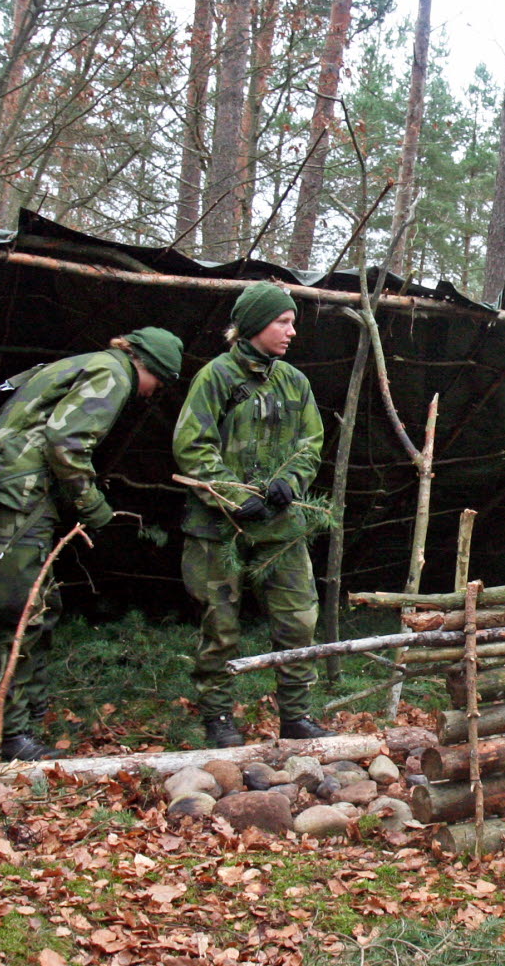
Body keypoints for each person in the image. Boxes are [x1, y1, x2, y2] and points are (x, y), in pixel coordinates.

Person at [0, 328, 184, 761]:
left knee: (41, 605)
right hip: (20, 498)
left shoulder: (89, 363)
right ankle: (10, 735)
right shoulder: (114, 374)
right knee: (18, 611)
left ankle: (29, 712)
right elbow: (66, 442)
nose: (151, 394)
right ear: (150, 367)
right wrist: (92, 504)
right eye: (158, 383)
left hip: (17, 492)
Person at [175, 283, 327, 748]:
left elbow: (311, 442)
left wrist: (292, 482)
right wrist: (230, 493)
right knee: (219, 627)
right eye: (283, 322)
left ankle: (297, 716)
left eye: (292, 321)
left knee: (298, 620)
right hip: (218, 528)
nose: (291, 331)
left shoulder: (294, 382)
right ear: (257, 323)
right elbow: (191, 445)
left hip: (281, 527)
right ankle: (219, 719)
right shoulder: (216, 377)